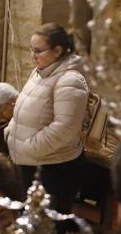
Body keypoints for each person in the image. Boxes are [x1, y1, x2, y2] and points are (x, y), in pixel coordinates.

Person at [5, 23, 89, 213]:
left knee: (46, 227)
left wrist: (30, 147)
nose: (33, 56)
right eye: (31, 49)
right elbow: (22, 108)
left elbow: (65, 127)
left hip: (52, 168)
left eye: (38, 51)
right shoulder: (40, 73)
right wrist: (10, 132)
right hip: (31, 163)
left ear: (57, 50)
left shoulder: (70, 79)